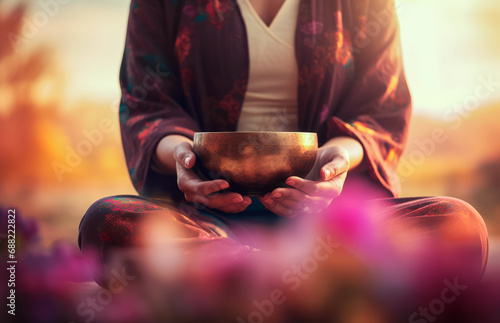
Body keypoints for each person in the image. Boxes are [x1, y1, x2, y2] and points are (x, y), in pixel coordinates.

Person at [79, 0, 488, 293]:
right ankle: (291, 274)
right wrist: (183, 158)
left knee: (460, 228)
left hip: (328, 225)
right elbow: (146, 103)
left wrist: (338, 159)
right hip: (206, 218)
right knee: (105, 224)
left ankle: (240, 274)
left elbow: (380, 107)